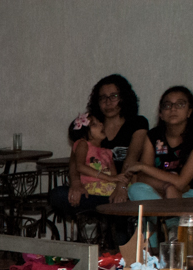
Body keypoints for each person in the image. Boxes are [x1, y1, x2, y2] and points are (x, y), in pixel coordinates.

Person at [126, 86, 193, 243]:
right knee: (136, 189)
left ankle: (168, 230)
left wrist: (143, 166)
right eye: (167, 105)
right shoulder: (154, 136)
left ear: (190, 111)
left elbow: (182, 182)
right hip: (164, 193)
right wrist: (167, 187)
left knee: (152, 206)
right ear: (161, 114)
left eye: (180, 104)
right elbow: (142, 178)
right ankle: (157, 243)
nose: (173, 109)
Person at [50, 75, 149, 218]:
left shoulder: (137, 123)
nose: (108, 102)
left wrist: (120, 188)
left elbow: (132, 158)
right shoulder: (91, 127)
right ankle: (111, 210)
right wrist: (76, 184)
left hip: (124, 187)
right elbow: (75, 160)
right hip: (95, 190)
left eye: (113, 96)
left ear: (124, 98)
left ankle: (114, 211)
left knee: (132, 198)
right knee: (57, 195)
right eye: (103, 98)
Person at [68, 113, 127, 200]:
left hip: (107, 185)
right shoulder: (83, 144)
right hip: (92, 185)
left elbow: (113, 175)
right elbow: (80, 166)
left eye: (100, 122)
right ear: (84, 134)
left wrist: (118, 180)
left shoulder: (108, 152)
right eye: (94, 124)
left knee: (128, 189)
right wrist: (108, 177)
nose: (101, 124)